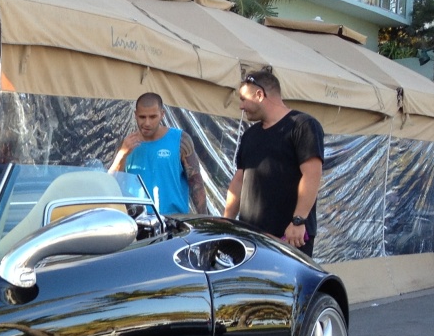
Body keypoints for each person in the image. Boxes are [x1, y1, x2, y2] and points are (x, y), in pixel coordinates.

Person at [223, 68, 324, 255]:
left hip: (289, 237)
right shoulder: (250, 135)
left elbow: (312, 174)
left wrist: (298, 221)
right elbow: (239, 180)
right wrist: (226, 223)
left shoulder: (302, 125)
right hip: (250, 239)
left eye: (244, 99)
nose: (241, 107)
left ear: (260, 95)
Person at [108, 93, 206, 215]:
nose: (147, 123)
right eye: (142, 117)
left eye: (153, 117)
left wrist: (205, 219)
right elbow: (111, 184)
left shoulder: (180, 140)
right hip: (138, 221)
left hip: (174, 222)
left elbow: (196, 183)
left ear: (162, 115)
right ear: (135, 116)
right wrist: (122, 155)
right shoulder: (127, 143)